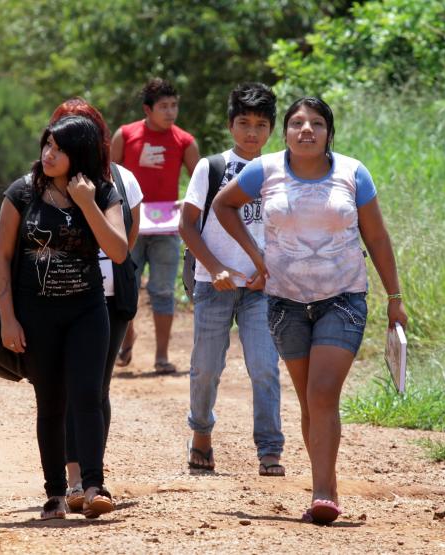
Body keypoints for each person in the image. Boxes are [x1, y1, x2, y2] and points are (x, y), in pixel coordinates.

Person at [212, 97, 408, 524]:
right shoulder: (264, 170)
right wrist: (256, 257)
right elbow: (223, 205)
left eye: (316, 124)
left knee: (322, 392)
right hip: (285, 302)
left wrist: (395, 299)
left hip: (344, 298)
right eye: (297, 123)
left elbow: (376, 238)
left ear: (328, 134)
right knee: (308, 400)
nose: (306, 130)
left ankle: (324, 491)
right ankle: (324, 482)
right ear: (285, 133)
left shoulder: (352, 173)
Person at [0, 116, 127, 520]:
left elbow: (118, 252)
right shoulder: (22, 192)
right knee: (50, 403)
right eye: (46, 145)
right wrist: (8, 319)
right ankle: (54, 494)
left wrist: (86, 202)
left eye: (60, 148)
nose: (49, 154)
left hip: (87, 310)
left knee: (87, 396)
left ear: (80, 154)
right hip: (36, 315)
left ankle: (93, 486)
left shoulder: (103, 192)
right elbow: (1, 258)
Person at [180, 83, 284, 476]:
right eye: (244, 123)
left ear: (272, 128)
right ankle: (201, 433)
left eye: (260, 124)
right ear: (230, 125)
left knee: (264, 367)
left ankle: (270, 449)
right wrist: (215, 266)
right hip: (213, 283)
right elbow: (187, 225)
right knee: (206, 366)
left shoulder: (280, 170)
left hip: (262, 288)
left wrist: (272, 271)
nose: (252, 132)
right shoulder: (212, 167)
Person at [47, 99, 143, 512]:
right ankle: (76, 481)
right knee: (69, 389)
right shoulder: (44, 182)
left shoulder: (122, 181)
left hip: (110, 298)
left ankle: (91, 477)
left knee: (95, 388)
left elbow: (127, 241)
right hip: (61, 298)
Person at [111, 77, 199, 374]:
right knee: (126, 289)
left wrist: (188, 210)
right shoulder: (125, 135)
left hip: (166, 231)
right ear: (147, 109)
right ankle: (127, 336)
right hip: (128, 229)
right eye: (164, 106)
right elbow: (108, 177)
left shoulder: (184, 141)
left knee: (163, 291)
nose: (171, 112)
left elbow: (201, 184)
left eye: (174, 105)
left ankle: (162, 357)